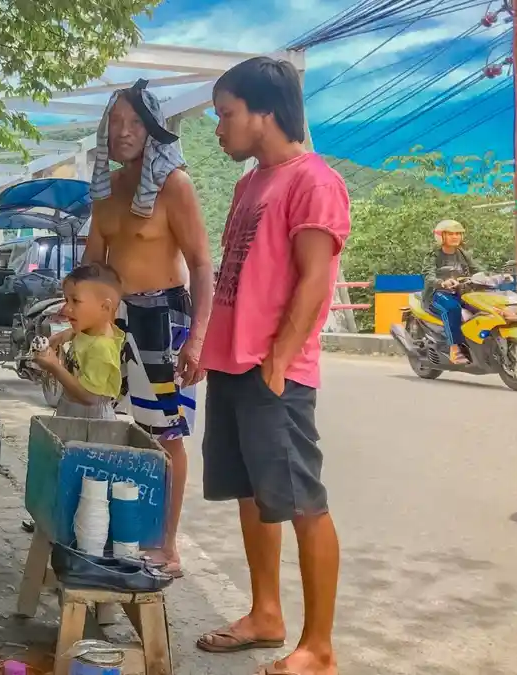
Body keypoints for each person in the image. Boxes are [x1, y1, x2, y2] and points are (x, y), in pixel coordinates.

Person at [196, 56, 348, 675]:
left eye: (226, 114)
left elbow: (316, 280)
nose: (219, 128)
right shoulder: (249, 183)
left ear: (264, 113)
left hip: (272, 371)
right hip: (234, 364)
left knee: (303, 501)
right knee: (253, 495)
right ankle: (265, 613)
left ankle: (319, 647)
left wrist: (280, 359)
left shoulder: (314, 181)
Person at [84, 78, 214, 576]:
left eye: (135, 121)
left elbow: (203, 264)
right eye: (115, 121)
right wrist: (73, 318)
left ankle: (169, 545)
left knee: (166, 435)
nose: (123, 131)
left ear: (154, 127)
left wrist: (198, 338)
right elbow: (94, 265)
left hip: (163, 317)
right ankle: (123, 530)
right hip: (114, 317)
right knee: (121, 427)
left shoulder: (174, 184)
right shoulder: (106, 190)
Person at [33, 262, 126, 419]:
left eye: (75, 301)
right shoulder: (88, 331)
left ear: (105, 307)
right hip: (73, 411)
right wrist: (60, 337)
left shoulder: (101, 347)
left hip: (91, 420)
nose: (65, 308)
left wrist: (55, 367)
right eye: (66, 300)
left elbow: (88, 396)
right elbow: (75, 334)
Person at [423, 219, 483, 364]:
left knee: (483, 307)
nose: (455, 237)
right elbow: (428, 275)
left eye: (458, 234)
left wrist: (491, 277)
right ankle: (455, 349)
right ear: (441, 236)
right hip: (437, 295)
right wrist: (441, 282)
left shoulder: (462, 253)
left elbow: (477, 269)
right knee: (452, 308)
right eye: (450, 234)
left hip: (462, 292)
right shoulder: (434, 255)